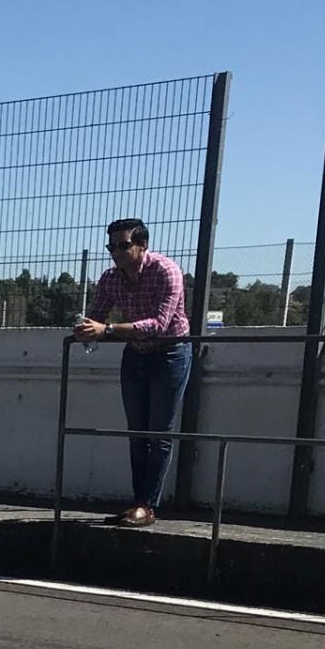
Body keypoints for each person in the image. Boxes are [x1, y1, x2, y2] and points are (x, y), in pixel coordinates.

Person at [75, 219, 192, 528]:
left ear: (142, 245)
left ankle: (147, 506)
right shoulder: (111, 278)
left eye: (123, 245)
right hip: (136, 355)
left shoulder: (167, 271)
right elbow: (97, 315)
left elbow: (159, 324)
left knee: (159, 433)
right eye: (111, 246)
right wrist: (85, 328)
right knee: (137, 433)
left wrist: (108, 329)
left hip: (169, 354)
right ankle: (137, 503)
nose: (116, 252)